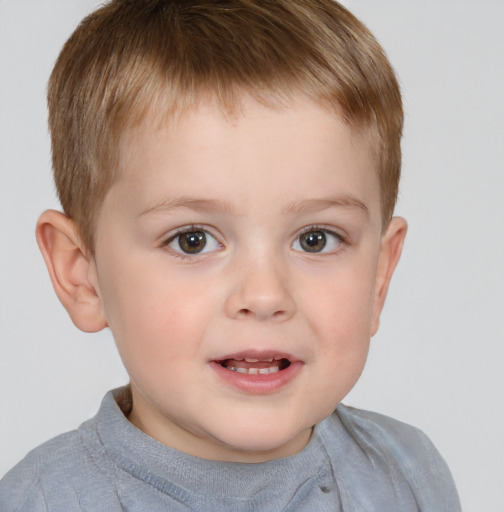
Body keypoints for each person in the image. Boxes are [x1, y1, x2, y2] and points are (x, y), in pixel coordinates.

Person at [0, 0, 461, 510]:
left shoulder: (408, 474)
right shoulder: (40, 501)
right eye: (192, 240)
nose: (264, 296)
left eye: (316, 239)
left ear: (379, 275)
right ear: (82, 275)